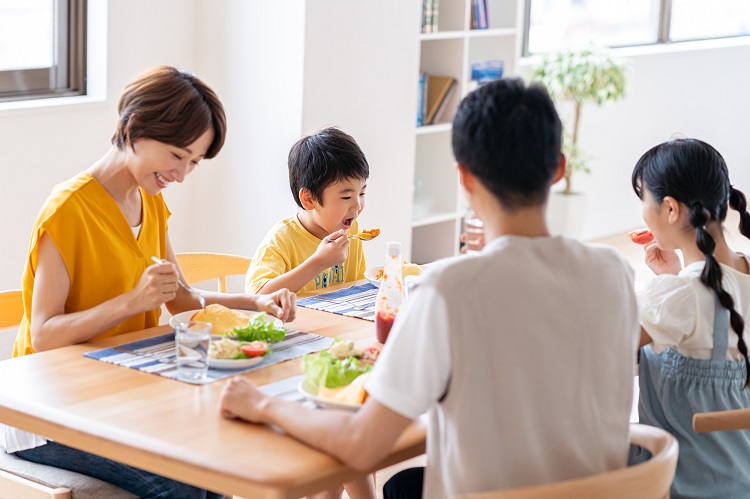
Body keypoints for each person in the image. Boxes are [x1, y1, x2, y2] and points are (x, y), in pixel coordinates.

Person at [221, 78, 639, 499]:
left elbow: (361, 445)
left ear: (464, 177)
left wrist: (262, 405)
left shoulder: (446, 291)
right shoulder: (615, 272)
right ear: (559, 168)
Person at [7, 66, 296, 499]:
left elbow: (181, 300)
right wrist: (129, 302)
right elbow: (44, 335)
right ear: (134, 128)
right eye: (176, 155)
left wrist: (255, 301)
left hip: (119, 396)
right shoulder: (68, 209)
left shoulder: (149, 202)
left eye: (193, 163)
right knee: (184, 489)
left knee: (217, 468)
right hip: (45, 413)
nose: (181, 174)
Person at [632, 138, 750, 499]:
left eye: (643, 200)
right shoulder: (737, 274)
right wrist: (675, 278)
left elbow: (599, 352)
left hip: (684, 486)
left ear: (670, 210)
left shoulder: (680, 295)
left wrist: (669, 286)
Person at [245, 127, 369, 295]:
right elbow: (258, 297)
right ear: (309, 199)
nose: (358, 205)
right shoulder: (282, 239)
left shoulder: (351, 231)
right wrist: (318, 262)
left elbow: (357, 288)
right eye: (346, 197)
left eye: (361, 193)